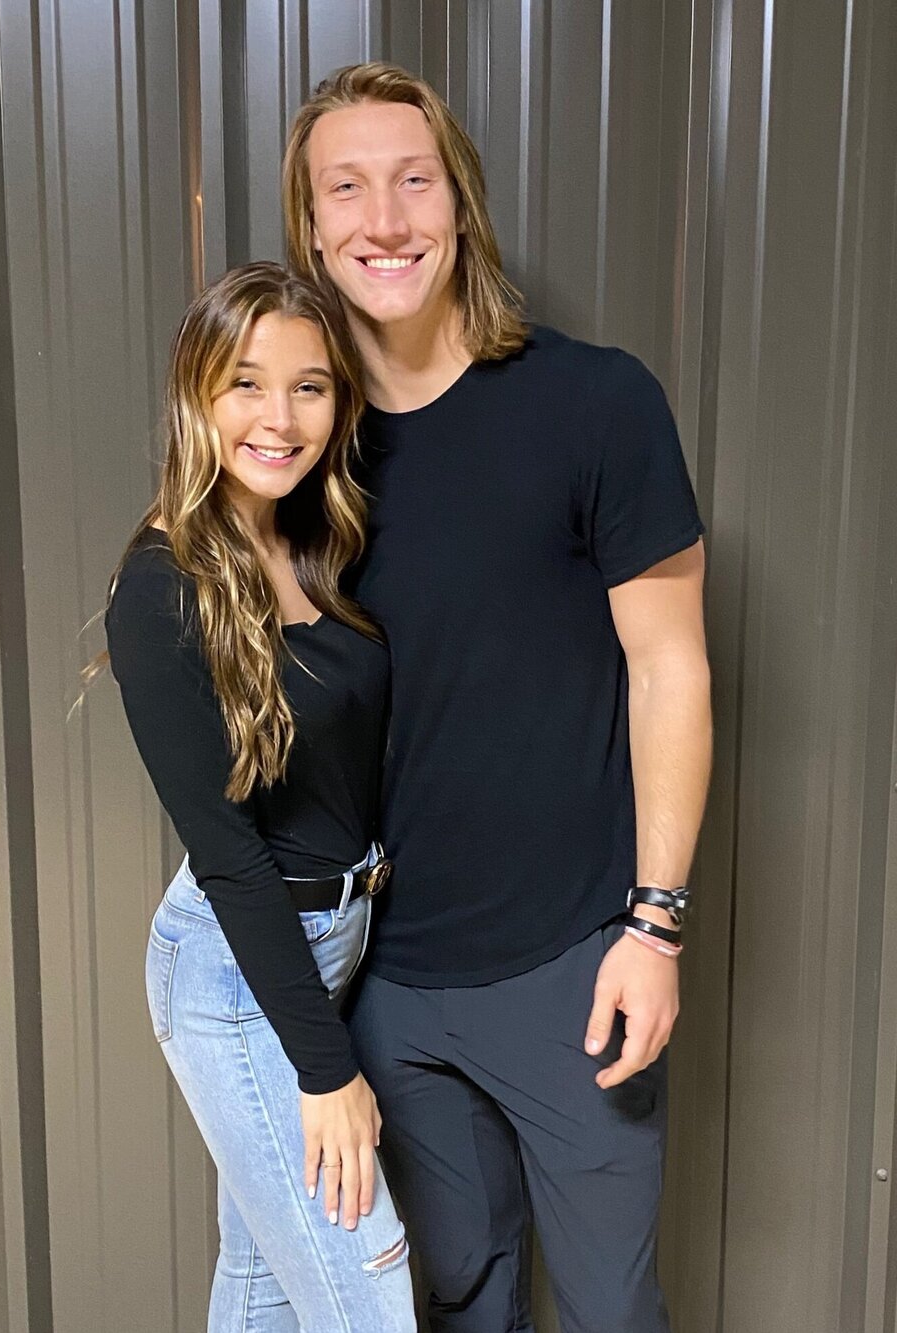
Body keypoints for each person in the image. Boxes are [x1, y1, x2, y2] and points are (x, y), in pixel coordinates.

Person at [282, 64, 713, 1332]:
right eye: (345, 190)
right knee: (462, 1303)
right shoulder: (296, 449)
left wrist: (655, 927)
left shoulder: (596, 402)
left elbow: (672, 666)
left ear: (459, 204)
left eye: (413, 181)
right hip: (383, 982)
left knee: (609, 1309)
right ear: (311, 228)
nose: (384, 220)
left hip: (575, 967)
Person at [101, 262, 415, 1332]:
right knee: (368, 1291)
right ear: (197, 392)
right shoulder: (161, 587)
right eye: (246, 383)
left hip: (336, 939)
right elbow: (231, 854)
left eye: (308, 387)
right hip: (237, 968)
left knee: (263, 1280)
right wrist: (328, 1073)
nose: (278, 420)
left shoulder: (315, 542)